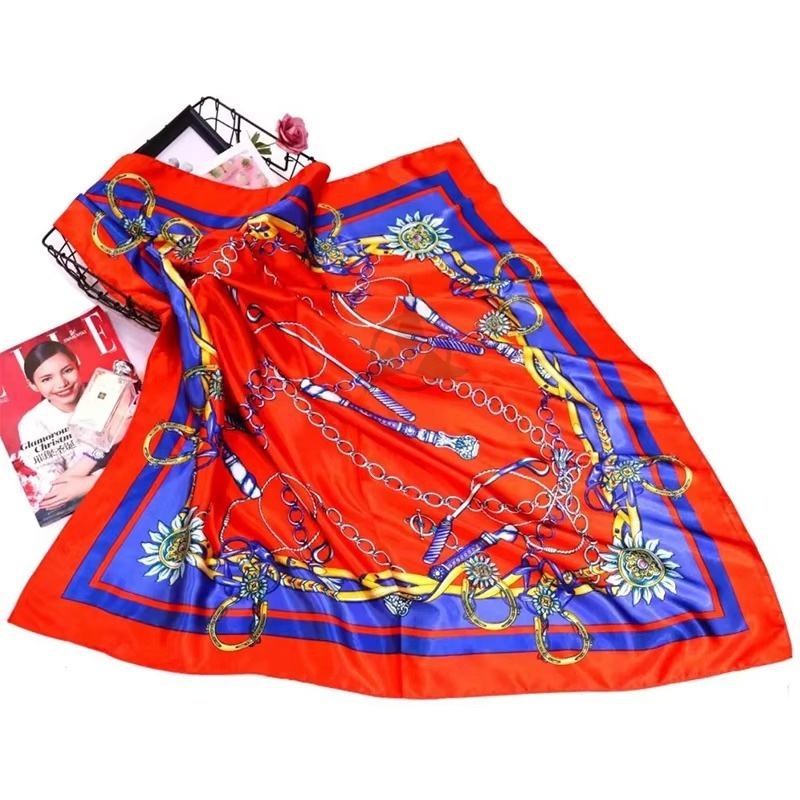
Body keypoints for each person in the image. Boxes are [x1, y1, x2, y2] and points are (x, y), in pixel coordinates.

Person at [17, 341, 104, 513]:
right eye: (47, 379)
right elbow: (56, 490)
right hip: (89, 506)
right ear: (32, 384)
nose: (62, 383)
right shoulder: (32, 423)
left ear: (77, 364)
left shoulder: (107, 391)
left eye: (67, 370)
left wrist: (86, 483)